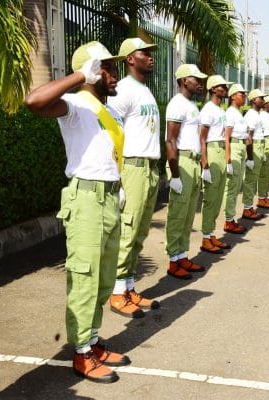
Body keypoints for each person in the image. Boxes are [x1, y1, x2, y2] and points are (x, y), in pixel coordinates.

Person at [25, 41, 130, 383]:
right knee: (85, 276)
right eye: (108, 68)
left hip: (110, 196)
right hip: (85, 199)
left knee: (103, 277)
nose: (115, 74)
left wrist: (119, 184)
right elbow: (34, 101)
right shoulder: (74, 103)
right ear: (93, 71)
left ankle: (93, 339)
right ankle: (82, 352)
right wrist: (79, 76)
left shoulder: (109, 111)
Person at [106, 37, 161, 319]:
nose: (151, 57)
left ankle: (128, 287)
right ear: (130, 59)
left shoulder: (144, 90)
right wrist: (118, 177)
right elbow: (112, 134)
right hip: (133, 166)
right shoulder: (124, 90)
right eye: (145, 53)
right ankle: (116, 293)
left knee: (139, 231)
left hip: (150, 167)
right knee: (128, 230)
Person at [164, 64, 208, 278]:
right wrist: (174, 175)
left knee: (189, 212)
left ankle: (182, 255)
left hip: (192, 161)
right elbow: (170, 140)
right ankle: (173, 261)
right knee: (178, 214)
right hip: (181, 161)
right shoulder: (177, 104)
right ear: (183, 81)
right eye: (195, 78)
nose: (199, 82)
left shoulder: (190, 104)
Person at [199, 75, 232, 253]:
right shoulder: (208, 110)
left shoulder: (220, 110)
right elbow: (202, 139)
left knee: (218, 196)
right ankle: (205, 238)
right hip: (211, 151)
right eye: (222, 86)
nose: (225, 88)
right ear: (213, 89)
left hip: (219, 150)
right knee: (210, 198)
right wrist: (204, 165)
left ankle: (211, 234)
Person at [222, 83, 249, 234]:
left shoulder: (238, 113)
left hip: (241, 148)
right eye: (241, 94)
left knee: (236, 184)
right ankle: (229, 220)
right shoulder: (230, 113)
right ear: (233, 96)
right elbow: (226, 138)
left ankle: (230, 218)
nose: (244, 96)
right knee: (231, 186)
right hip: (234, 147)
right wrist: (228, 160)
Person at [241, 88, 268, 220]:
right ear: (253, 100)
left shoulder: (257, 114)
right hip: (254, 147)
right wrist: (250, 157)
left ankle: (249, 206)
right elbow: (249, 137)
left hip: (258, 146)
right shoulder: (251, 115)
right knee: (250, 180)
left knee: (254, 179)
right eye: (260, 98)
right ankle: (247, 208)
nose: (263, 100)